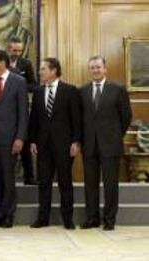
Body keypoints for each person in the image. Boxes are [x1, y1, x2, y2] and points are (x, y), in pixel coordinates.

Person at [80, 56, 132, 231]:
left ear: (105, 69)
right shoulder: (83, 91)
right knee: (90, 185)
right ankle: (92, 218)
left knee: (110, 184)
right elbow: (80, 119)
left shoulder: (118, 89)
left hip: (110, 145)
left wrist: (116, 135)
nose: (95, 70)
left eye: (98, 67)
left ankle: (109, 219)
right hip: (89, 145)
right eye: (92, 67)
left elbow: (126, 117)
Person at [29, 58, 81, 230]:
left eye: (43, 69)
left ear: (53, 70)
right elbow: (34, 120)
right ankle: (43, 218)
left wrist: (76, 141)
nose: (40, 72)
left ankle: (68, 219)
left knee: (65, 182)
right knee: (44, 182)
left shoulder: (70, 91)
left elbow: (76, 119)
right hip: (43, 145)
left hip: (64, 145)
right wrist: (33, 141)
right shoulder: (37, 91)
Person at [0, 50, 29, 228]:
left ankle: (8, 213)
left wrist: (20, 137)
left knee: (8, 177)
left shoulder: (19, 82)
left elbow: (23, 112)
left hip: (10, 139)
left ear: (3, 62)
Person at [7, 37, 37, 185]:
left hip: (22, 108)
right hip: (6, 109)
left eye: (20, 50)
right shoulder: (2, 63)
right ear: (8, 49)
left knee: (24, 143)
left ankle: (29, 177)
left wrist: (20, 83)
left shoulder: (26, 64)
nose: (17, 53)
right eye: (14, 50)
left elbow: (34, 85)